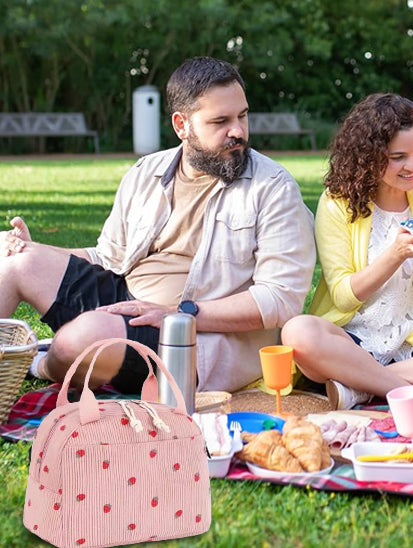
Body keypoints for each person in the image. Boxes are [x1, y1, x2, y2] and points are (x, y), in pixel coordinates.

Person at [0, 56, 315, 394]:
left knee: (77, 340)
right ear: (182, 125)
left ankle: (42, 363)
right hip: (126, 302)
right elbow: (108, 256)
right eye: (220, 121)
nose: (237, 131)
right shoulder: (145, 172)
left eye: (242, 116)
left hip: (191, 336)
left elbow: (279, 299)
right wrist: (36, 250)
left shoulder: (273, 188)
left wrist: (178, 313)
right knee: (15, 260)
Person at [281, 93, 413, 411]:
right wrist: (395, 254)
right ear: (369, 156)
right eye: (398, 157)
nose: (412, 165)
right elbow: (345, 296)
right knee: (298, 332)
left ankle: (360, 387)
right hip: (352, 341)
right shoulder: (336, 204)